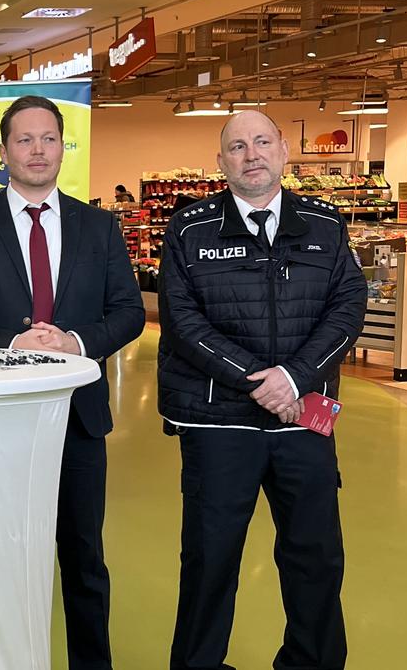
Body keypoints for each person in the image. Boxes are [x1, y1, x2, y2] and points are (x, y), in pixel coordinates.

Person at [0, 95, 143, 670]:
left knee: (84, 560)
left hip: (78, 420)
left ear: (63, 147)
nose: (38, 150)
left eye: (49, 138)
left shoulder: (99, 226)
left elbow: (126, 311)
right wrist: (9, 344)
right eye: (25, 140)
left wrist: (74, 342)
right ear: (3, 152)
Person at [158, 110, 366, 670]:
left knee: (316, 554)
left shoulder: (325, 224)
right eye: (237, 146)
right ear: (220, 162)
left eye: (263, 142)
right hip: (216, 420)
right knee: (211, 557)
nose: (252, 154)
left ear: (283, 152)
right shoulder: (189, 229)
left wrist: (296, 377)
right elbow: (182, 323)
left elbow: (347, 307)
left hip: (306, 415)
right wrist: (261, 380)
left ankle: (312, 660)